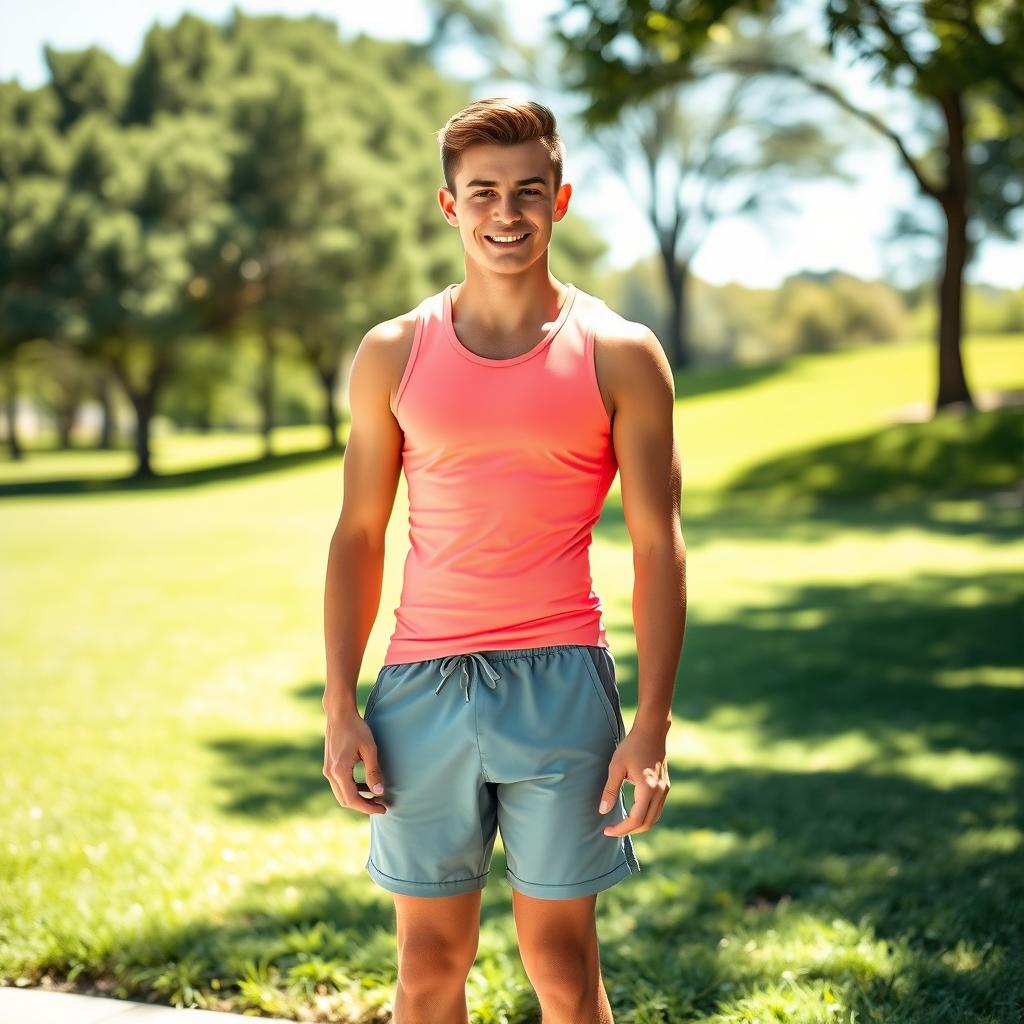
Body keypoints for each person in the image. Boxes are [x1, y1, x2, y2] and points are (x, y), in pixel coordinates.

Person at [322, 97, 686, 1024]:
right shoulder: (391, 353)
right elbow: (359, 535)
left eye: (529, 190)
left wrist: (651, 726)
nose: (507, 213)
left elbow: (657, 543)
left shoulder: (621, 353)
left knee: (562, 967)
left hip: (563, 682)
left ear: (560, 200)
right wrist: (340, 705)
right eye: (483, 192)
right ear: (450, 207)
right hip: (419, 689)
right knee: (428, 962)